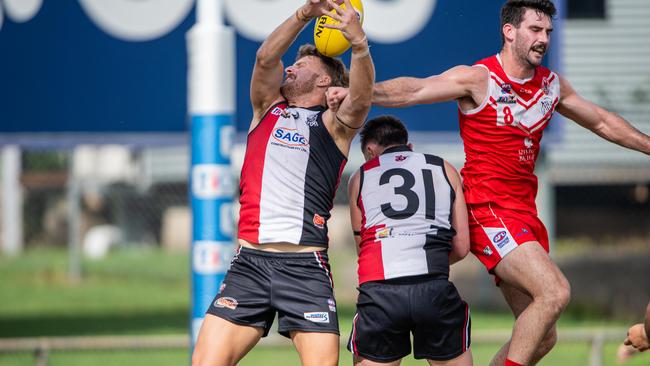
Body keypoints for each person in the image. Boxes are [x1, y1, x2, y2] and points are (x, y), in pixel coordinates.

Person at [327, 0, 650, 365]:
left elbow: (603, 122)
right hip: (487, 209)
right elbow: (415, 90)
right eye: (534, 30)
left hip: (524, 217)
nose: (543, 39)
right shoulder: (481, 78)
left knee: (543, 337)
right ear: (509, 32)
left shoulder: (551, 86)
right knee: (555, 291)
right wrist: (360, 94)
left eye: (547, 32)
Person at [191, 0, 374, 365]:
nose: (289, 67)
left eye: (301, 65)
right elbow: (265, 58)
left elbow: (362, 95)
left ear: (324, 81)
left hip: (305, 267)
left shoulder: (334, 125)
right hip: (249, 264)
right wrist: (304, 13)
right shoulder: (266, 108)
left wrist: (358, 44)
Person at [346, 115, 472, 366]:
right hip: (434, 289)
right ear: (409, 146)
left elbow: (364, 248)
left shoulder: (359, 178)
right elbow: (462, 246)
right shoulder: (445, 168)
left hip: (380, 294)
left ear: (370, 151)